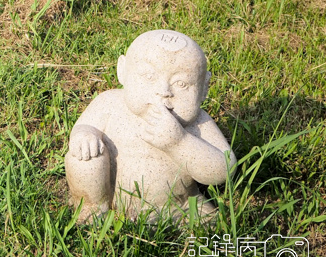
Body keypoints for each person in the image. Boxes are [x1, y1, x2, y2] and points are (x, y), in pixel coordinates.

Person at [66, 30, 236, 222]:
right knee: (83, 157)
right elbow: (84, 127)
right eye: (148, 76)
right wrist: (85, 135)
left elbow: (224, 169)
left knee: (212, 225)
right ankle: (93, 208)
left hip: (178, 205)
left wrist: (179, 142)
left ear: (204, 88)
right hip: (112, 194)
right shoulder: (109, 103)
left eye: (181, 83)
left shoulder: (198, 123)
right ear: (123, 71)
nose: (163, 91)